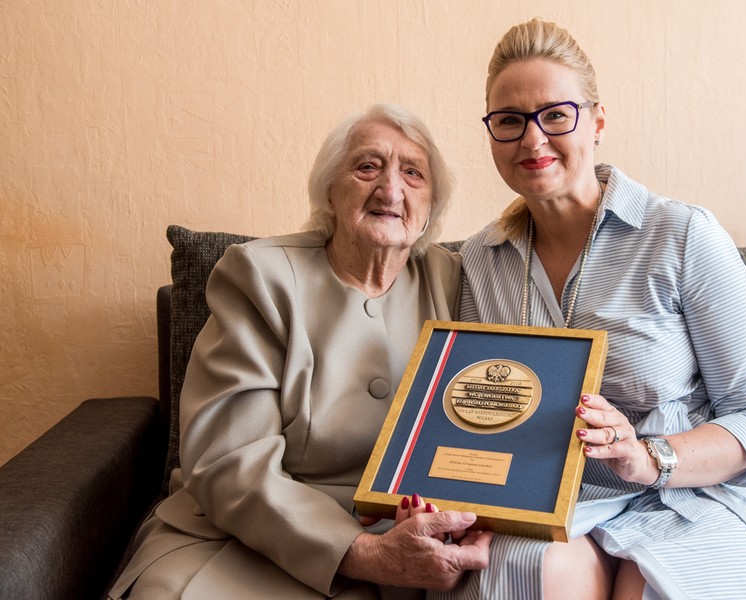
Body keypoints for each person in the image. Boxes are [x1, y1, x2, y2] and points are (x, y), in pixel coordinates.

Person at [445, 19, 746, 600]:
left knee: (651, 588)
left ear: (597, 121)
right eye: (509, 121)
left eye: (555, 114)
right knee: (513, 575)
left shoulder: (682, 236)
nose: (532, 138)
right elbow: (478, 414)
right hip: (564, 507)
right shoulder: (480, 260)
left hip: (691, 494)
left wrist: (650, 458)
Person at [109, 104, 492, 600]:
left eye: (412, 173)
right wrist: (363, 553)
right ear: (330, 191)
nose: (391, 189)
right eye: (367, 166)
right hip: (240, 539)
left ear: (432, 207)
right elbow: (229, 460)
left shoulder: (460, 280)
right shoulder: (259, 277)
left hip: (406, 542)